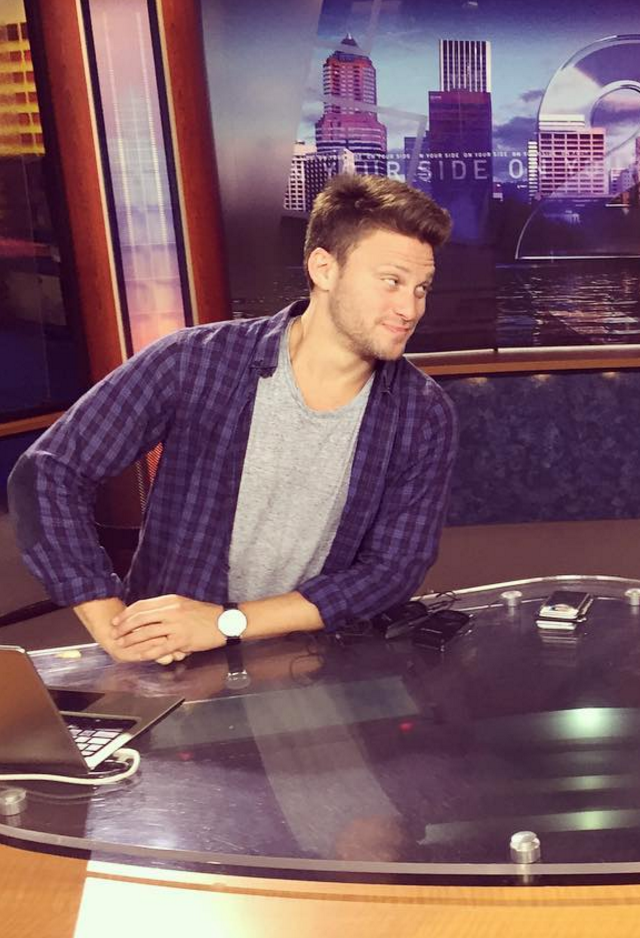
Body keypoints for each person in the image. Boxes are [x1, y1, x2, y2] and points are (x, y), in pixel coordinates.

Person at [9, 175, 458, 665]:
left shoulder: (423, 412)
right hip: (174, 663)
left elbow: (393, 568)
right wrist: (111, 621)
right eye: (391, 281)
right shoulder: (196, 361)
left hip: (315, 665)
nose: (410, 308)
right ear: (324, 268)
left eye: (421, 288)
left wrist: (227, 623)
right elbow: (48, 471)